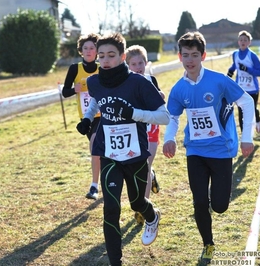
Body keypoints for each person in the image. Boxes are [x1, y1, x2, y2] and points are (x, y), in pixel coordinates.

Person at [76, 32, 170, 266]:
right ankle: (116, 262)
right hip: (109, 154)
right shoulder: (95, 81)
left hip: (135, 154)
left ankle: (151, 215)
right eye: (101, 56)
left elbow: (164, 116)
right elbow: (97, 99)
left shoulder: (139, 82)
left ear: (123, 56)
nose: (105, 60)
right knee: (111, 209)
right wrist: (88, 118)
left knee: (137, 202)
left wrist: (133, 114)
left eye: (111, 55)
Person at [162, 31, 255, 265]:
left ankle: (217, 204)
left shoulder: (218, 81)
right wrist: (169, 139)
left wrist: (247, 137)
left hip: (222, 150)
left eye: (194, 54)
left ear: (203, 55)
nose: (190, 60)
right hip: (195, 151)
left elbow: (247, 101)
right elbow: (172, 116)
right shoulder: (178, 89)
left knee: (220, 206)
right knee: (200, 202)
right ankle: (208, 243)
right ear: (179, 56)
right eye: (185, 55)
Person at [125, 44, 165, 225]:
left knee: (146, 166)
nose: (138, 67)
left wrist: (161, 96)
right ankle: (152, 176)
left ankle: (143, 208)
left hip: (151, 128)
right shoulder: (125, 83)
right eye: (133, 64)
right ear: (127, 65)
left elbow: (160, 102)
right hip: (133, 131)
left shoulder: (151, 80)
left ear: (146, 62)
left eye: (140, 62)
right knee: (136, 169)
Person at [61, 33, 101, 200]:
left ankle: (94, 186)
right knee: (100, 151)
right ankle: (105, 182)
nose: (89, 51)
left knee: (95, 145)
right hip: (85, 118)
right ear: (81, 51)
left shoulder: (102, 67)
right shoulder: (74, 69)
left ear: (97, 51)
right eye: (86, 48)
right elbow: (65, 92)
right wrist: (74, 90)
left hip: (102, 114)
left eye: (92, 48)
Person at [227, 30, 260, 133]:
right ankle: (245, 135)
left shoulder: (252, 55)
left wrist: (247, 69)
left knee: (252, 109)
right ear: (238, 41)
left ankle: (257, 120)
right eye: (241, 40)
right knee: (240, 111)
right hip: (240, 88)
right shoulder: (235, 54)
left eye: (245, 40)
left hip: (252, 88)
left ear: (249, 42)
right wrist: (231, 70)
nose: (243, 42)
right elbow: (235, 65)